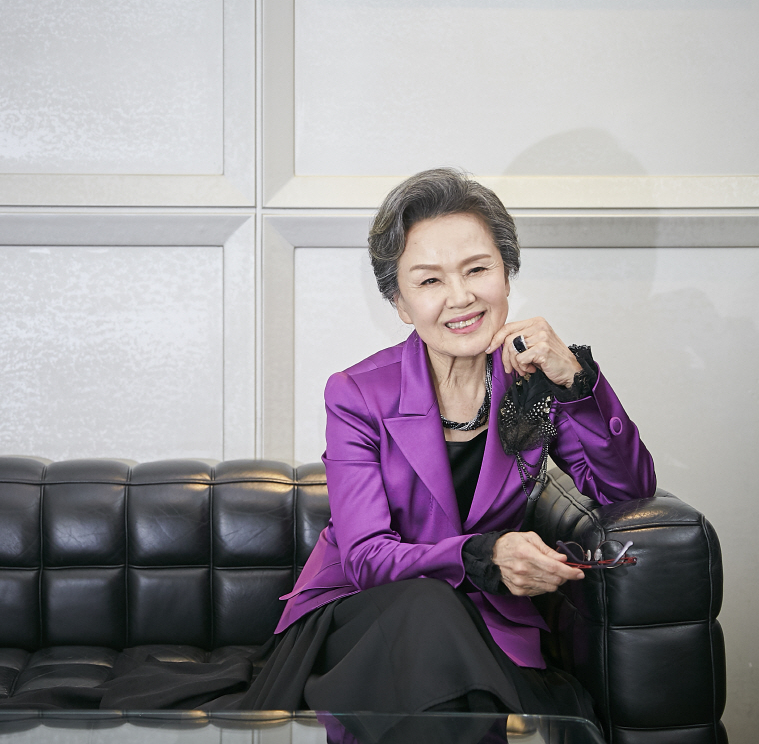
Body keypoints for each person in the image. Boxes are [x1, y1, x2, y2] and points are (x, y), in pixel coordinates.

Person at [238, 168, 657, 730]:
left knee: (449, 651)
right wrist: (484, 555)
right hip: (362, 618)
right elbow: (366, 559)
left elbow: (626, 490)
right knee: (427, 610)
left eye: (477, 269)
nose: (461, 297)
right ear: (400, 303)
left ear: (506, 274)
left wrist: (576, 381)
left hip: (485, 624)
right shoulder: (358, 393)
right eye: (430, 280)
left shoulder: (533, 382)